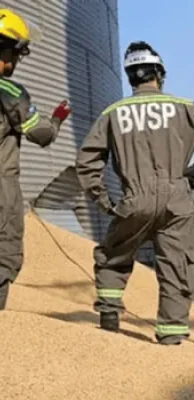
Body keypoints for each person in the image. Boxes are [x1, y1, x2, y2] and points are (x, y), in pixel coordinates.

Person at [75, 41, 194, 345]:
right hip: (177, 199)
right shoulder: (184, 108)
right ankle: (171, 335)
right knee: (176, 267)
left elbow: (86, 160)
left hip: (134, 197)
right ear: (159, 75)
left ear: (130, 78)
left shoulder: (113, 113)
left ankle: (109, 318)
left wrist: (103, 199)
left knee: (113, 255)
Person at [0, 9, 72, 309]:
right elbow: (41, 135)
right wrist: (56, 120)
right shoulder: (10, 92)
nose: (16, 62)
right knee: (3, 254)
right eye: (17, 54)